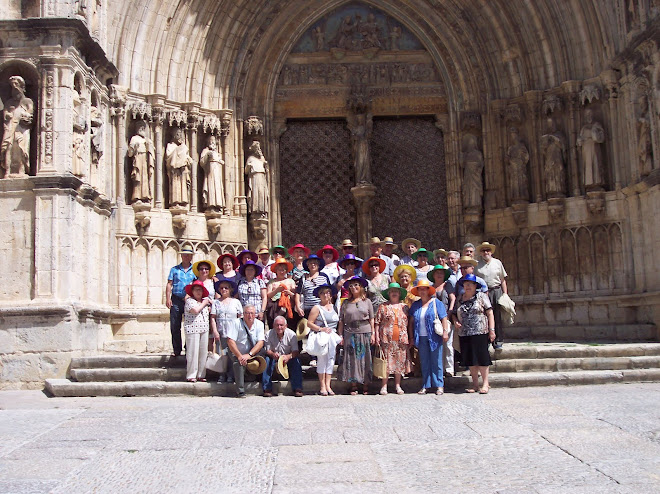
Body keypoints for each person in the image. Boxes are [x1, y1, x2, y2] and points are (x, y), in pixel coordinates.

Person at [452, 274, 496, 394]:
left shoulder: (481, 296)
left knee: (482, 358)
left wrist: (492, 330)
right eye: (466, 284)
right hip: (465, 333)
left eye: (470, 284)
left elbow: (490, 313)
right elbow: (454, 313)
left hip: (480, 331)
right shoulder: (460, 298)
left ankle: (485, 384)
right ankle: (475, 384)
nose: (468, 286)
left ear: (475, 286)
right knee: (470, 359)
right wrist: (455, 321)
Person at [408, 279, 449, 395]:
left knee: (436, 361)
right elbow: (411, 322)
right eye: (420, 289)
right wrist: (411, 337)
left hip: (434, 336)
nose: (422, 291)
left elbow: (444, 318)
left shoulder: (436, 303)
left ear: (428, 290)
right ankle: (426, 385)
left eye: (424, 289)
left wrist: (445, 332)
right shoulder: (415, 305)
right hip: (420, 337)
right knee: (424, 362)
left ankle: (439, 385)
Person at [337, 276, 375, 395]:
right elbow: (341, 321)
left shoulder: (367, 301)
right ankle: (353, 385)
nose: (354, 287)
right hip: (350, 332)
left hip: (365, 331)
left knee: (365, 358)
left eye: (356, 285)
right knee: (352, 359)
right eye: (351, 286)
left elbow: (372, 319)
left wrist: (373, 333)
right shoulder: (346, 303)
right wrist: (340, 335)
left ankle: (366, 384)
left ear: (361, 287)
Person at [375, 282, 409, 395]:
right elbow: (377, 323)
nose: (394, 293)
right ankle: (384, 386)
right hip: (386, 338)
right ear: (389, 294)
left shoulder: (404, 307)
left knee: (399, 363)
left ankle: (398, 386)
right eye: (392, 291)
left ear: (399, 293)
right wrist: (376, 336)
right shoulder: (383, 306)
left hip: (401, 339)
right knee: (386, 363)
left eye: (396, 291)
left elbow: (410, 323)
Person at [226, 304, 265, 398]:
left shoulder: (259, 324)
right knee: (239, 362)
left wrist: (250, 354)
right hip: (237, 351)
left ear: (255, 314)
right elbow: (230, 341)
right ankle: (240, 390)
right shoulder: (236, 323)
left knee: (264, 355)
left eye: (252, 313)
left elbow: (260, 342)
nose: (250, 316)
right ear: (243, 314)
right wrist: (239, 355)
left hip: (252, 352)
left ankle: (262, 382)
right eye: (247, 313)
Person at [307, 284, 340, 396]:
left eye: (327, 292)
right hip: (322, 337)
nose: (326, 295)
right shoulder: (317, 308)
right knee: (322, 360)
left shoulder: (335, 307)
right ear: (319, 295)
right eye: (323, 293)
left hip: (333, 337)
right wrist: (321, 328)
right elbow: (309, 323)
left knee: (331, 360)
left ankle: (328, 385)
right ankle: (322, 386)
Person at [476, 242, 508, 349]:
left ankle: (498, 340)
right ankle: (487, 340)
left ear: (491, 252)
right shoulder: (477, 265)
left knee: (497, 315)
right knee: (484, 316)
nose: (486, 252)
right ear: (480, 252)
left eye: (488, 250)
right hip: (484, 293)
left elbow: (502, 280)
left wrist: (505, 294)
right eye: (483, 250)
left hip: (496, 290)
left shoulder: (497, 263)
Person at [166, 244, 196, 357]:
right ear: (182, 256)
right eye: (185, 255)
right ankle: (177, 349)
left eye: (189, 255)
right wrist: (167, 298)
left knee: (189, 325)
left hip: (189, 300)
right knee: (175, 325)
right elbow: (169, 284)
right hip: (176, 299)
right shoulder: (174, 269)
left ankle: (188, 347)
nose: (187, 257)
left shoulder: (195, 270)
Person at [210, 280, 243, 384]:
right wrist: (214, 331)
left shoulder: (236, 302)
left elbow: (240, 317)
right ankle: (222, 374)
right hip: (221, 331)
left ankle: (231, 375)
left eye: (226, 288)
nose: (224, 290)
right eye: (221, 288)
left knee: (232, 354)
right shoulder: (216, 302)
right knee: (222, 354)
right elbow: (213, 317)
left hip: (233, 332)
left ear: (230, 289)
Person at [262, 316, 303, 397]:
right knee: (267, 360)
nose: (279, 327)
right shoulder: (268, 334)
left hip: (287, 357)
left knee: (296, 361)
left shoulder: (292, 334)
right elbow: (268, 350)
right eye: (277, 325)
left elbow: (295, 351)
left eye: (281, 325)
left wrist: (288, 356)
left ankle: (297, 388)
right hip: (274, 357)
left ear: (286, 326)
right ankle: (267, 388)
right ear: (273, 326)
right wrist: (273, 354)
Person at [183, 280, 211, 382]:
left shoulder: (204, 302)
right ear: (192, 291)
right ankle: (191, 374)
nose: (198, 292)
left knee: (203, 352)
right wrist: (204, 303)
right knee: (192, 352)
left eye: (200, 290)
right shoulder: (190, 301)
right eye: (196, 290)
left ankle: (201, 374)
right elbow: (195, 310)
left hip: (204, 328)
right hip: (192, 328)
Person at [428, 264, 453, 376]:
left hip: (446, 317)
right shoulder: (431, 287)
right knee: (437, 345)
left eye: (441, 273)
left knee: (448, 344)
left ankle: (449, 369)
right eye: (437, 273)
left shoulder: (448, 286)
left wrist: (450, 312)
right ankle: (440, 369)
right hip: (434, 319)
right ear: (433, 275)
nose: (439, 275)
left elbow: (453, 299)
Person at [295, 254, 330, 318]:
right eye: (310, 263)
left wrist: (329, 306)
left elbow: (329, 292)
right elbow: (298, 293)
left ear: (318, 265)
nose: (313, 265)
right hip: (308, 310)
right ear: (308, 266)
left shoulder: (324, 277)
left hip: (322, 308)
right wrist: (298, 306)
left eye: (315, 263)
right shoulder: (303, 278)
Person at [265, 257, 296, 328]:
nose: (282, 272)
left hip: (288, 307)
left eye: (283, 269)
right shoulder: (272, 282)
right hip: (274, 307)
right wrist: (276, 291)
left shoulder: (290, 281)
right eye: (279, 270)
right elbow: (268, 295)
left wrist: (289, 293)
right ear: (276, 271)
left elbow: (295, 297)